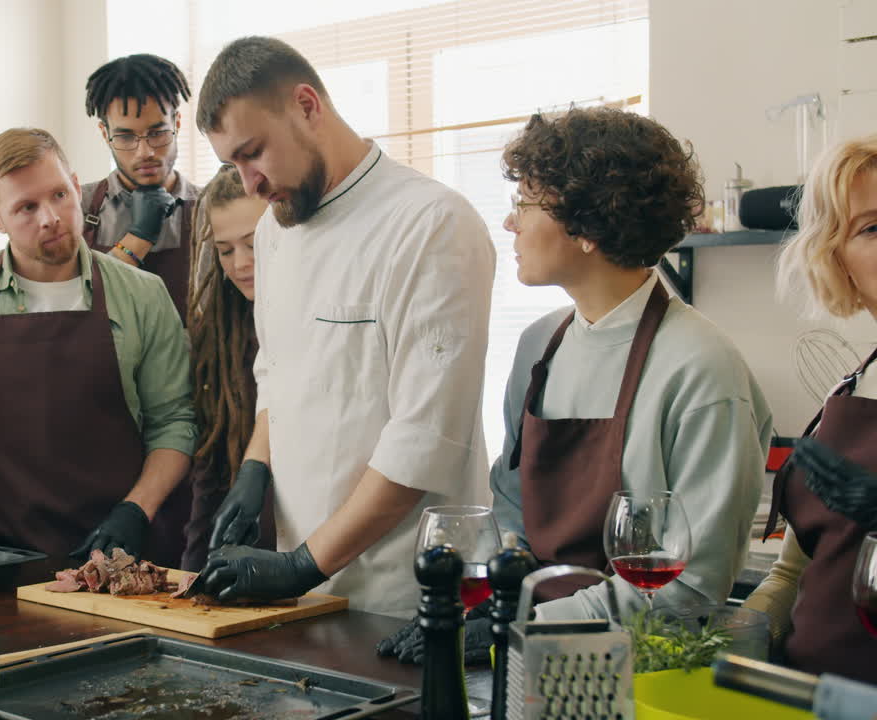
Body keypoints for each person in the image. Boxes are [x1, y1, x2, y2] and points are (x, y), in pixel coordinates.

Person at [379, 108, 773, 664]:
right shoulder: (540, 346)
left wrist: (524, 625)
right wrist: (492, 608)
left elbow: (690, 589)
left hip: (642, 671)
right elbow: (512, 509)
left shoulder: (702, 369)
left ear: (588, 226)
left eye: (525, 204)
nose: (510, 223)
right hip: (531, 657)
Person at [189, 37, 496, 617]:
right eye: (232, 164)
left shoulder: (432, 224)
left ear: (307, 105)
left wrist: (304, 564)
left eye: (253, 153)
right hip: (301, 590)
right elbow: (276, 374)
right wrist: (256, 466)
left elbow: (424, 438)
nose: (249, 182)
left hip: (404, 595)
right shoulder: (277, 230)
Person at [0, 127, 196, 566]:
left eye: (59, 195)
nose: (50, 217)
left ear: (77, 187)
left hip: (124, 557)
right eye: (26, 207)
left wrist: (137, 510)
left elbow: (174, 420)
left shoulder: (142, 295)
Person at [745, 133, 877, 683]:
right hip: (802, 697)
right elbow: (792, 576)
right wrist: (727, 638)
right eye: (872, 228)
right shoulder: (849, 392)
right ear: (835, 258)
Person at [180, 165, 275, 572]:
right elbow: (211, 468)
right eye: (226, 250)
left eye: (254, 244)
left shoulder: (318, 323)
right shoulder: (218, 335)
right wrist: (193, 568)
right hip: (247, 556)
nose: (240, 264)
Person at [83, 53, 199, 319]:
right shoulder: (77, 208)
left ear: (177, 124)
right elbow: (74, 304)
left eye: (157, 133)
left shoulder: (211, 208)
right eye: (126, 136)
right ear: (105, 134)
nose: (144, 152)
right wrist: (139, 236)